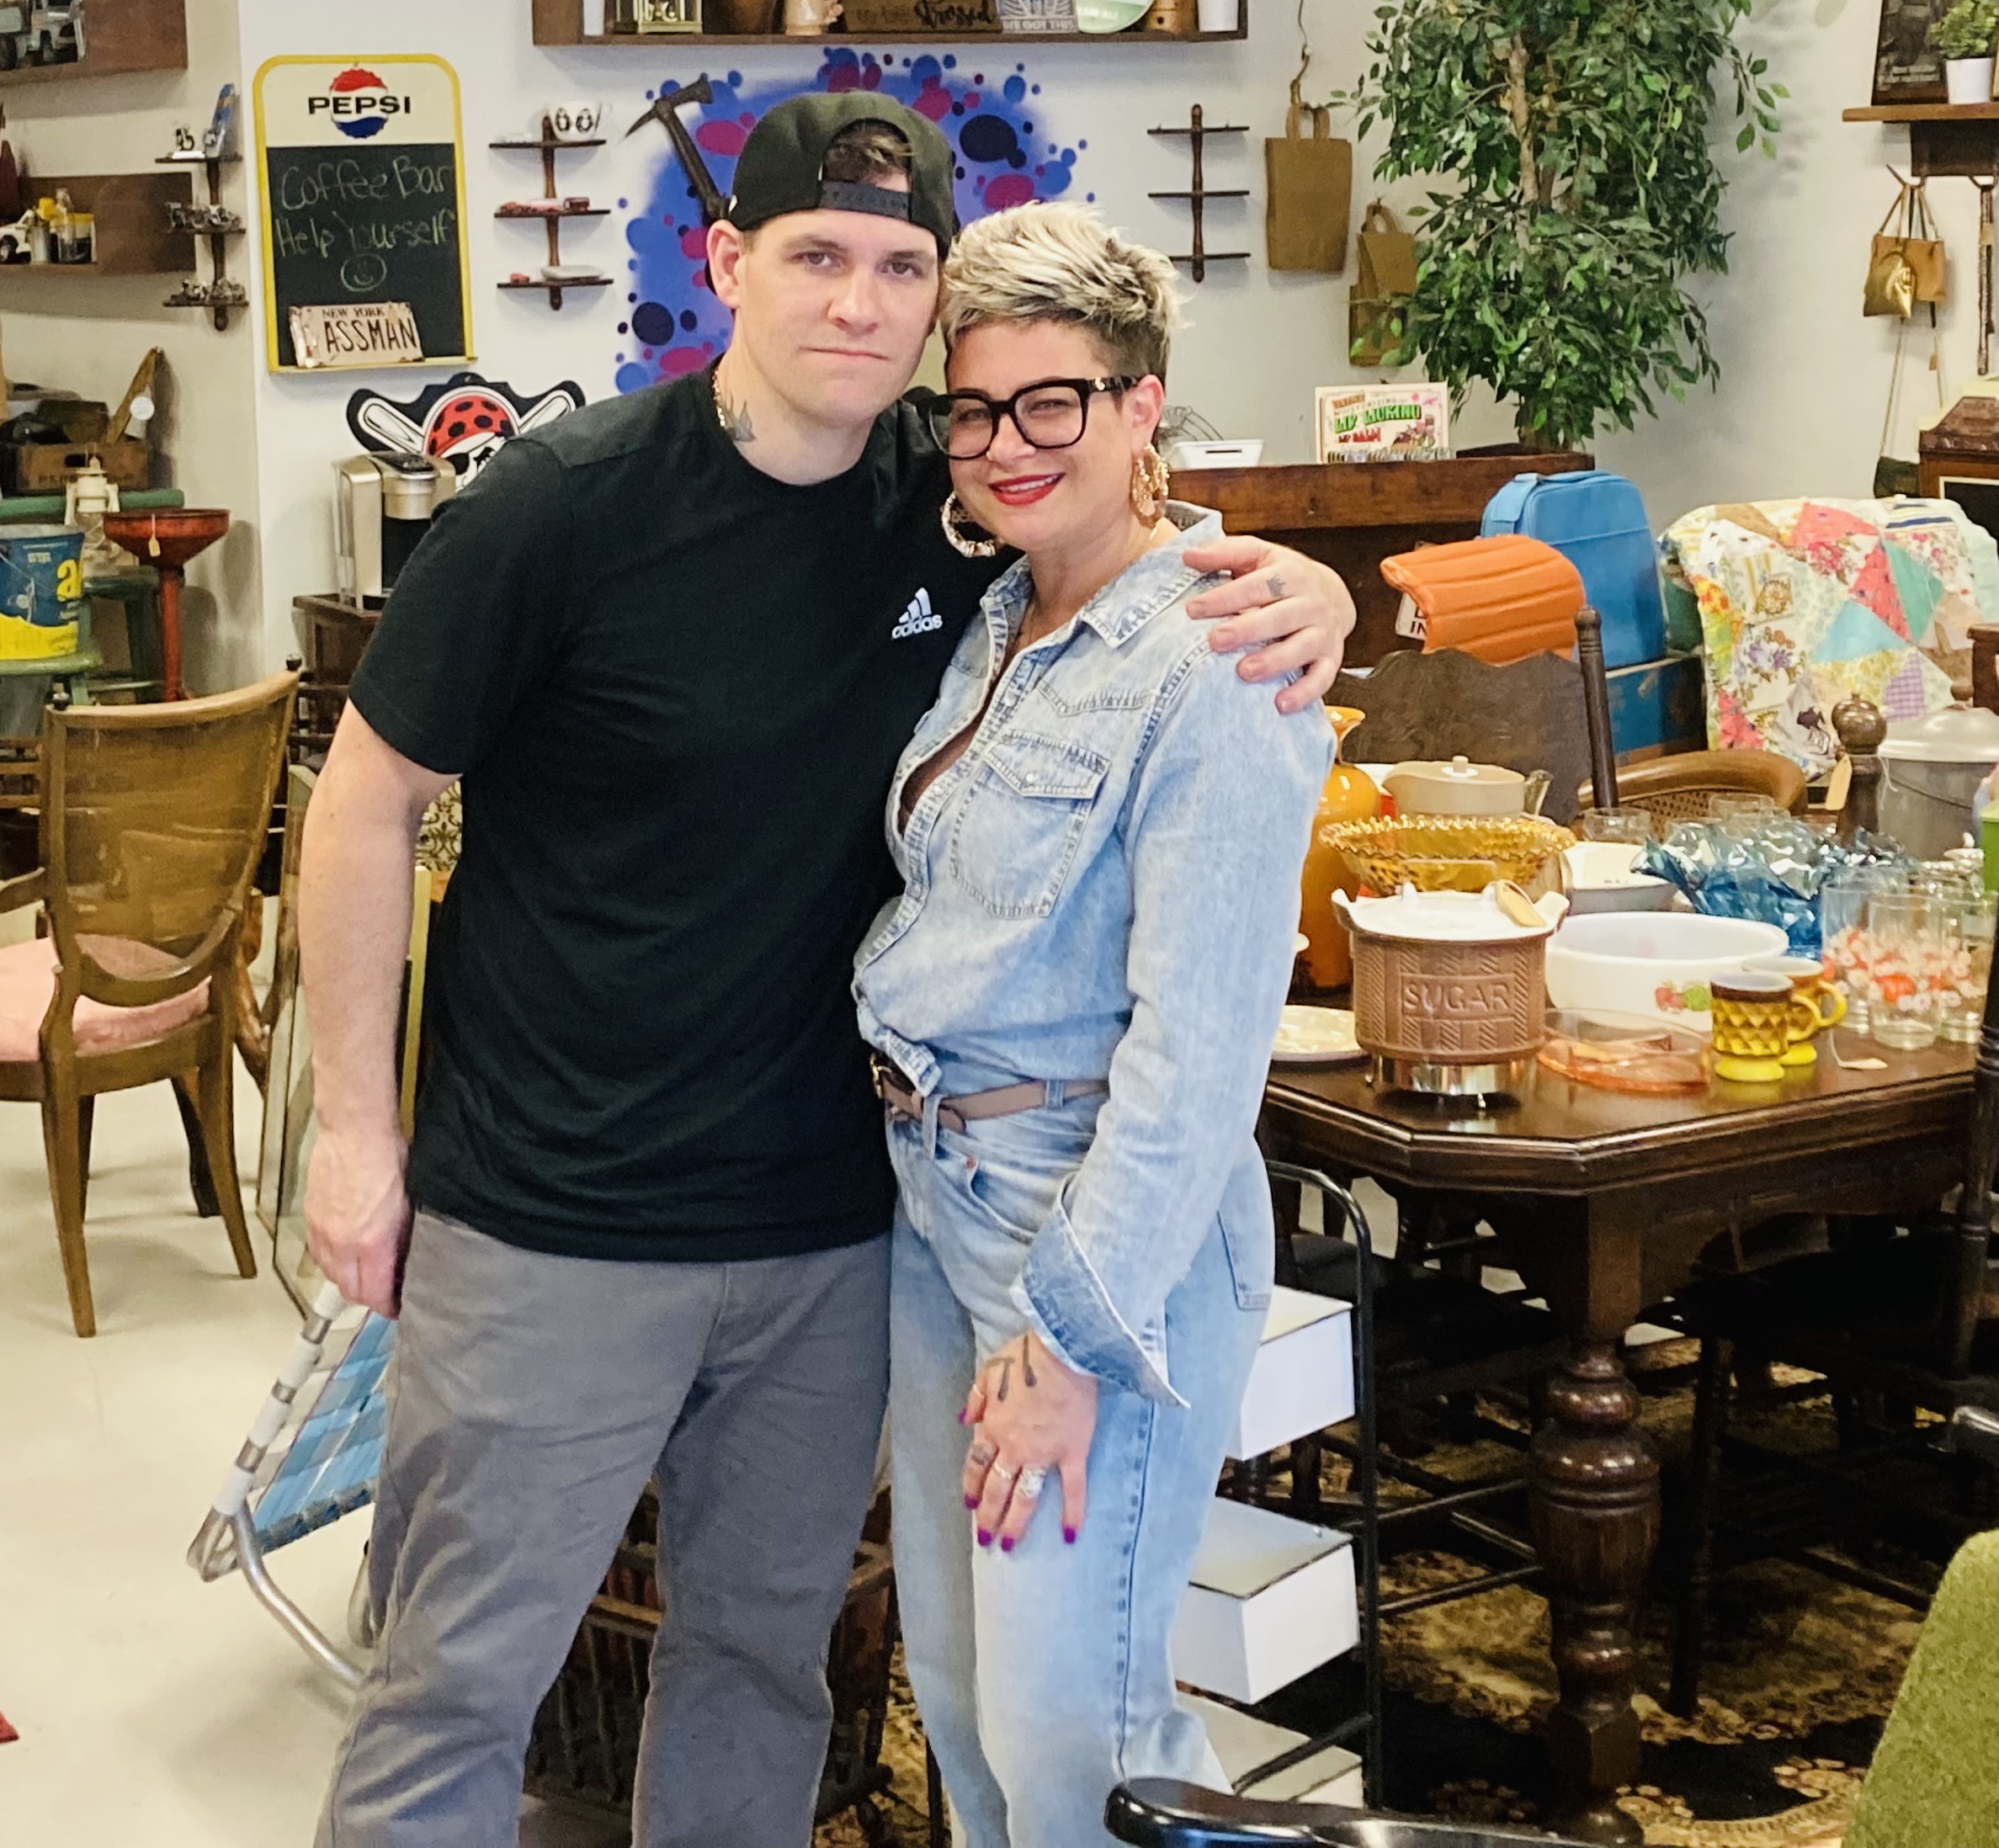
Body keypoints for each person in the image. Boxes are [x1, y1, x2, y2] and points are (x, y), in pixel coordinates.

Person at [299, 91, 1355, 1848]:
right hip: (554, 1219)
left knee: (763, 1662)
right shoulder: (555, 512)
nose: (856, 303)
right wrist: (354, 1131)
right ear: (727, 267)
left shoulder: (945, 519)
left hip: (832, 1235)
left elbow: (1127, 550)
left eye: (896, 267)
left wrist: (1303, 589)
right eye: (814, 257)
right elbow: (361, 805)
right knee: (456, 1686)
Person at [857, 206, 1326, 1845]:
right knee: (976, 1712)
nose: (1005, 446)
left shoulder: (1215, 659)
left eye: (1051, 402)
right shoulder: (1005, 620)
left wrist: (1071, 1338)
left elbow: (1202, 1053)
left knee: (1084, 1735)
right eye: (974, 412)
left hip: (1085, 1243)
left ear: (1142, 403)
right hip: (940, 1208)